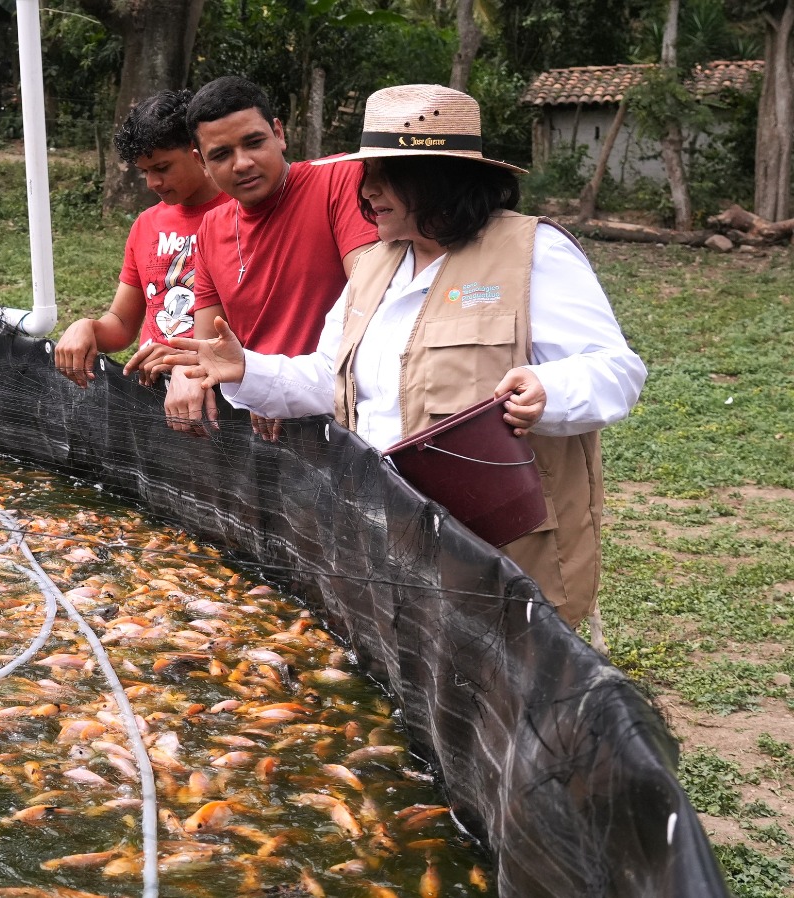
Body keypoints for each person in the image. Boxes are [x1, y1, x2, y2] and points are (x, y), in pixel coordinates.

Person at [162, 84, 646, 625]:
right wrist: (245, 369)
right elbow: (332, 377)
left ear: (436, 177)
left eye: (384, 176)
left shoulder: (531, 252)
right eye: (365, 176)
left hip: (506, 548)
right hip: (394, 538)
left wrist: (548, 391)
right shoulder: (375, 268)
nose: (366, 192)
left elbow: (616, 371)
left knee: (531, 695)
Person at [125, 75, 378, 432]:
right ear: (201, 161)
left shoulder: (336, 180)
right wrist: (189, 371)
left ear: (278, 133)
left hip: (338, 415)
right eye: (221, 154)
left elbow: (370, 301)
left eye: (254, 142)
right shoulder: (212, 227)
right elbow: (208, 343)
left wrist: (277, 386)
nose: (242, 163)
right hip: (256, 421)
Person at [54, 89, 227, 388]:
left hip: (222, 393)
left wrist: (189, 360)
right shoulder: (146, 225)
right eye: (144, 172)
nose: (152, 183)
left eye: (162, 168)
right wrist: (87, 328)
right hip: (152, 392)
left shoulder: (240, 215)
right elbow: (121, 324)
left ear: (196, 150)